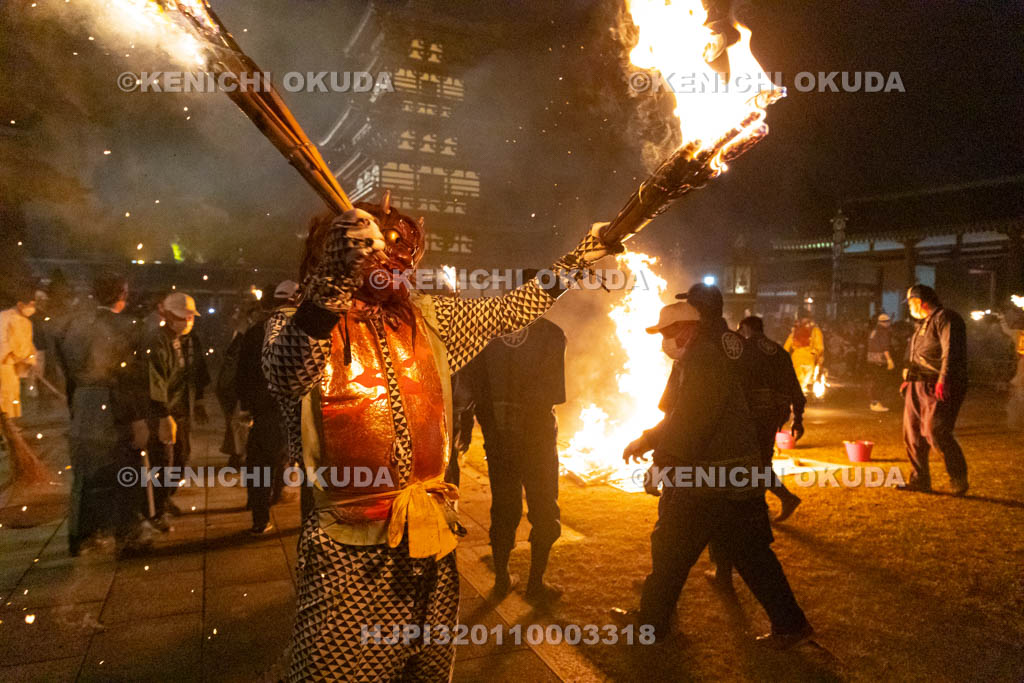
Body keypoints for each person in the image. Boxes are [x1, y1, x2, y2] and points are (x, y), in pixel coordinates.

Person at [262, 192, 610, 681]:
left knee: (423, 670)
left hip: (429, 536)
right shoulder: (301, 321)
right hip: (348, 542)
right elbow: (286, 373)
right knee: (332, 672)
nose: (398, 268)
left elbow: (510, 310)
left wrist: (578, 260)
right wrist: (333, 284)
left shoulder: (429, 320)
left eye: (406, 258)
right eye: (381, 255)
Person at [612, 295, 813, 648]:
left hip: (709, 478)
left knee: (672, 548)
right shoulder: (702, 357)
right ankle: (791, 625)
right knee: (750, 554)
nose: (664, 342)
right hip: (733, 477)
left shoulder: (704, 361)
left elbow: (691, 421)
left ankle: (654, 626)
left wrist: (660, 464)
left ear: (689, 329)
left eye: (669, 332)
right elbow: (680, 416)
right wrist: (646, 441)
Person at [462, 315, 567, 605]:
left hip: (499, 440)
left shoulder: (484, 333)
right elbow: (553, 394)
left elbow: (472, 391)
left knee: (504, 508)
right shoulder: (551, 333)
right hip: (537, 441)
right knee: (545, 509)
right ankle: (535, 584)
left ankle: (502, 579)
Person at [56, 272, 151, 556]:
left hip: (84, 402)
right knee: (125, 471)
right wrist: (138, 419)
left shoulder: (74, 326)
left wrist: (75, 406)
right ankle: (127, 535)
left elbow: (67, 371)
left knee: (86, 474)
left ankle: (81, 536)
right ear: (122, 293)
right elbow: (130, 377)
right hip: (114, 405)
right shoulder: (127, 327)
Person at [236, 280, 298, 535]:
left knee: (259, 463)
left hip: (262, 411)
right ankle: (282, 502)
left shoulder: (255, 332)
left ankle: (260, 517)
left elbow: (242, 374)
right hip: (289, 411)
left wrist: (246, 405)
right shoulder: (299, 333)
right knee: (287, 460)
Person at [143, 292, 205, 529]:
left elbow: (194, 373)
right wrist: (162, 414)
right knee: (162, 461)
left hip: (180, 410)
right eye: (183, 317)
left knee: (180, 456)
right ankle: (156, 510)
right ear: (167, 316)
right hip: (163, 413)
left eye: (190, 317)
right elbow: (155, 379)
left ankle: (165, 498)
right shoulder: (157, 341)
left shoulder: (185, 341)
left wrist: (197, 401)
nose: (187, 322)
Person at [898, 284, 969, 495]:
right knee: (912, 433)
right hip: (917, 383)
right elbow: (915, 353)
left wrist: (943, 379)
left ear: (920, 302)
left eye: (911, 302)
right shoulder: (923, 324)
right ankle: (919, 480)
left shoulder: (946, 318)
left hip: (936, 384)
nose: (909, 307)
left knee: (935, 431)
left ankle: (958, 478)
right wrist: (908, 377)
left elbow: (951, 351)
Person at [736, 314, 804, 521]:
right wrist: (798, 418)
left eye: (740, 331)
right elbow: (795, 388)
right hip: (775, 414)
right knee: (761, 460)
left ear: (746, 329)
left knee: (755, 463)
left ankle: (783, 498)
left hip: (754, 415)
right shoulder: (781, 352)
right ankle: (761, 506)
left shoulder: (745, 351)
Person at [0, 284, 38, 420]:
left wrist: (30, 358)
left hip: (16, 366)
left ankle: (11, 423)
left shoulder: (27, 322)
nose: (32, 308)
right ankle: (5, 425)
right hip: (4, 363)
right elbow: (2, 339)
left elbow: (28, 343)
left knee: (13, 394)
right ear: (20, 304)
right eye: (30, 304)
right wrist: (10, 355)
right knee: (5, 394)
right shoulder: (4, 317)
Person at [784, 311, 824, 393]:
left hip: (797, 357)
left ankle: (798, 394)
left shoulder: (795, 330)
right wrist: (818, 356)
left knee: (799, 378)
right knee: (805, 379)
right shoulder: (815, 330)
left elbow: (787, 345)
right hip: (809, 357)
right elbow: (820, 346)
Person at [867, 313, 896, 412]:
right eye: (888, 321)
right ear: (885, 322)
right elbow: (885, 347)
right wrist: (889, 360)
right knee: (880, 381)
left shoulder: (874, 331)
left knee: (875, 380)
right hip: (880, 360)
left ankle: (874, 402)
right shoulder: (883, 331)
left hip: (871, 359)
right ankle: (876, 402)